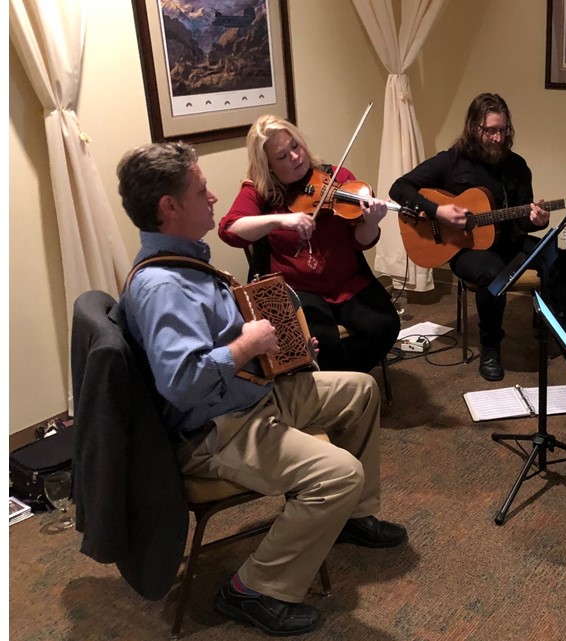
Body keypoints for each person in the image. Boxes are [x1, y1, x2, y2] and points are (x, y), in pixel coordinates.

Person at [117, 142, 407, 636]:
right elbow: (182, 382)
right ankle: (251, 589)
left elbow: (218, 341)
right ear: (169, 207)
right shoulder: (162, 286)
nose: (213, 197)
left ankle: (349, 519)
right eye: (201, 188)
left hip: (250, 397)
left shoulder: (184, 260)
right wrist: (247, 345)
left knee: (360, 391)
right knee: (340, 473)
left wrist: (281, 349)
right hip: (217, 433)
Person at [218, 115, 400, 374]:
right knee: (321, 341)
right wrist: (281, 220)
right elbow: (230, 230)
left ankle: (344, 382)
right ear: (267, 165)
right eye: (282, 156)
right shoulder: (260, 191)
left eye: (295, 146)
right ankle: (344, 389)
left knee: (385, 325)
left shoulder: (337, 178)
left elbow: (362, 242)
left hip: (348, 282)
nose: (295, 157)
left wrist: (370, 223)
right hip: (297, 290)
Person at [389, 93, 549, 381]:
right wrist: (437, 212)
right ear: (475, 128)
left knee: (558, 256)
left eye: (503, 130)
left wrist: (538, 220)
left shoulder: (517, 166)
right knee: (492, 274)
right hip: (464, 249)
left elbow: (524, 219)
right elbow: (399, 188)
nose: (498, 138)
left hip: (508, 241)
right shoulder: (451, 162)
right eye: (491, 131)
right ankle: (491, 347)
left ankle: (561, 331)